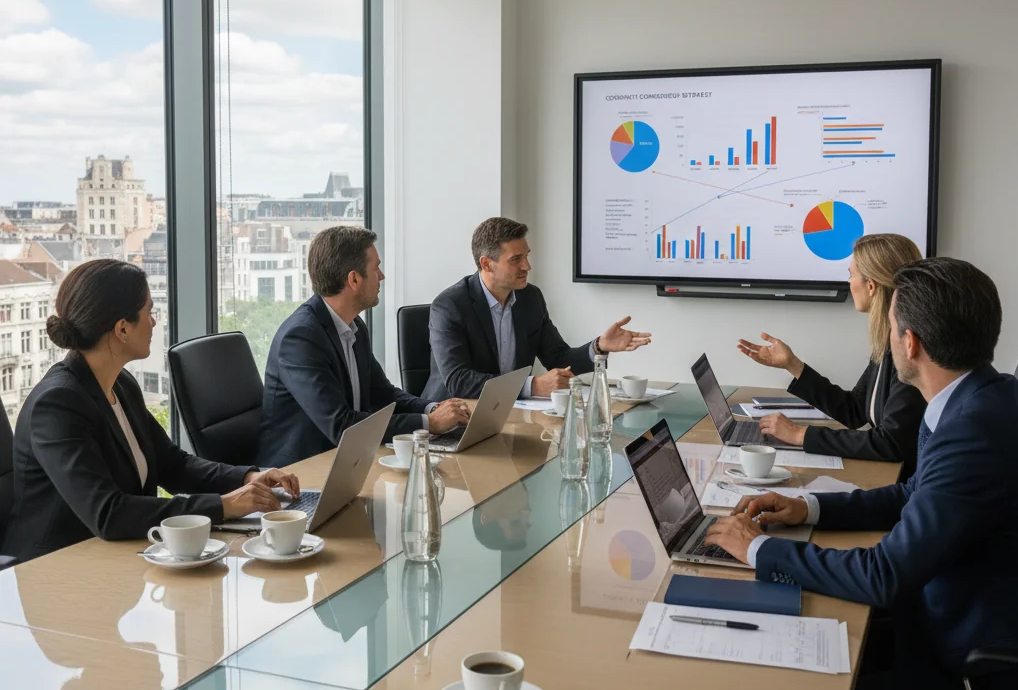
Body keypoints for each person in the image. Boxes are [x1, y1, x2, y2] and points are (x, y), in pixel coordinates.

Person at [708, 257, 1018, 690]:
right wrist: (809, 508)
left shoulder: (972, 428)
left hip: (973, 682)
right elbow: (911, 494)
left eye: (892, 326)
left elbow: (883, 574)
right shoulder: (982, 396)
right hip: (948, 627)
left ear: (910, 343)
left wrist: (758, 549)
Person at [2, 260, 297, 564]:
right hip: (55, 568)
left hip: (115, 555)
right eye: (148, 312)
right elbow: (108, 513)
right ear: (122, 328)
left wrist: (248, 477)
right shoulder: (57, 405)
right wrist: (223, 505)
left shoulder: (122, 385)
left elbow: (172, 464)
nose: (154, 322)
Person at [257, 227, 469, 467]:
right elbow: (341, 425)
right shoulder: (301, 338)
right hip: (299, 471)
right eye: (376, 268)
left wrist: (434, 408)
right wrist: (429, 424)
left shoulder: (354, 325)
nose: (382, 276)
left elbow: (384, 394)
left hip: (348, 460)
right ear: (354, 279)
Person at [738, 233, 925, 473]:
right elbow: (855, 410)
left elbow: (892, 443)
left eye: (851, 274)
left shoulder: (910, 349)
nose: (849, 282)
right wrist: (792, 364)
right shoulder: (887, 340)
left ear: (870, 286)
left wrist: (799, 434)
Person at [423, 216, 651, 401]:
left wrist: (598, 346)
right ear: (486, 264)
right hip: (454, 418)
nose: (527, 266)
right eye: (516, 259)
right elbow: (459, 381)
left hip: (510, 412)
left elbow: (557, 358)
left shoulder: (530, 298)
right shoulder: (450, 306)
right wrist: (532, 386)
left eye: (526, 256)